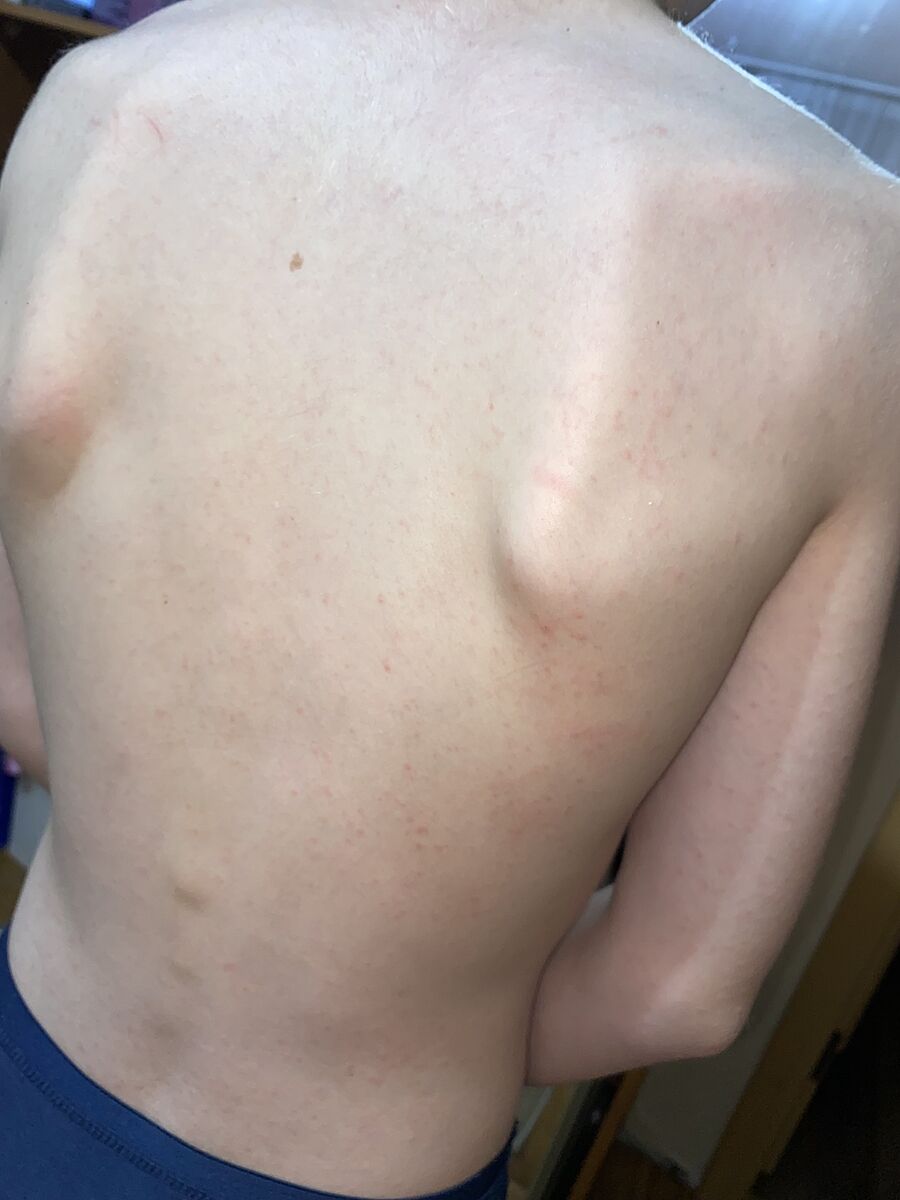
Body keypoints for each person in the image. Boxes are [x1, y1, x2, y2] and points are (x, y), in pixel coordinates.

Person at [0, 0, 897, 1195]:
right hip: (364, 1159)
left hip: (27, 1055)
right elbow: (677, 989)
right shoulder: (848, 263)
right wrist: (392, 1042)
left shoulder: (99, 102)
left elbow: (21, 704)